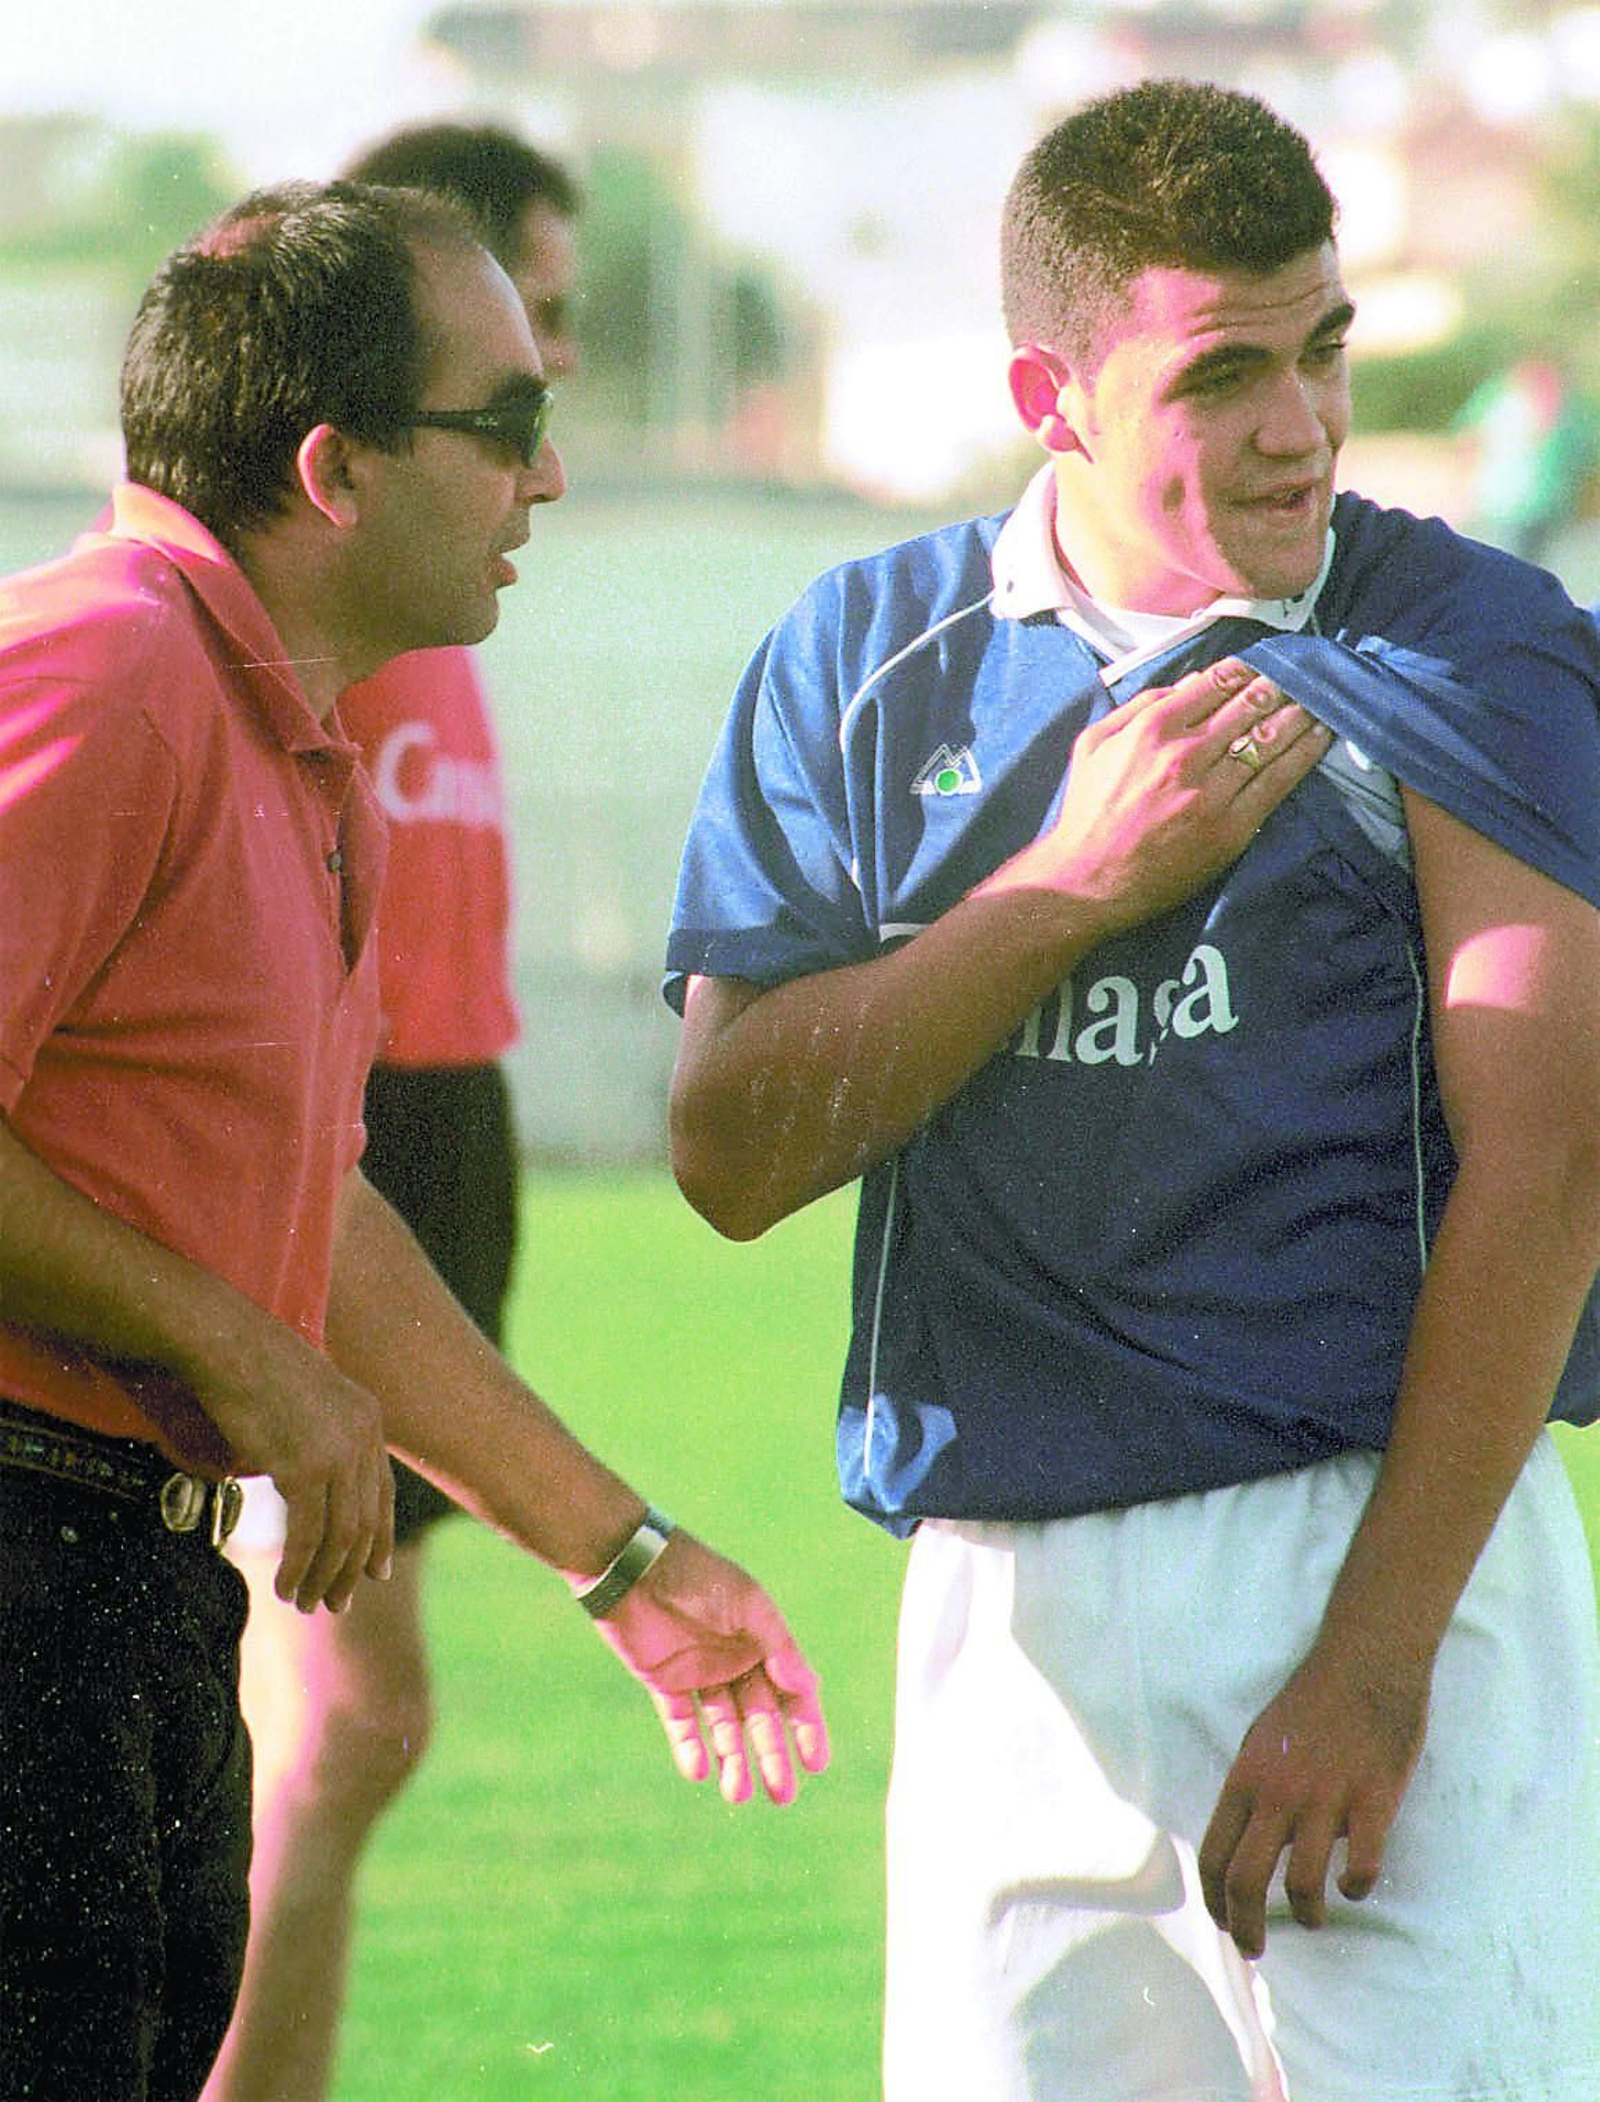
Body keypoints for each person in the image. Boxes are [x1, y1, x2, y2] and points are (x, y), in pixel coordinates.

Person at [664, 79, 1600, 2102]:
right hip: (1013, 1599)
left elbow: (1553, 1162)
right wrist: (1064, 891)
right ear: (1051, 396)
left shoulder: (1467, 637)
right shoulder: (862, 658)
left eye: (1322, 347)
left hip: (1393, 1560)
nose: (1301, 424)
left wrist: (1373, 1665)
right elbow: (728, 1152)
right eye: (1221, 375)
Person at [0, 178, 827, 2102]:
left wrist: (619, 1555)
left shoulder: (283, 732)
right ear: (335, 469)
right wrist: (232, 1345)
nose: (547, 479)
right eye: (507, 422)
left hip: (130, 1586)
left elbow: (319, 1219)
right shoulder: (108, 665)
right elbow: (268, 1299)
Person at [206, 126, 582, 2102]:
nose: (561, 374)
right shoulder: (274, 591)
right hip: (339, 1144)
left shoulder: (440, 592)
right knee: (336, 1708)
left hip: (435, 1120)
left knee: (347, 1715)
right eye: (532, 332)